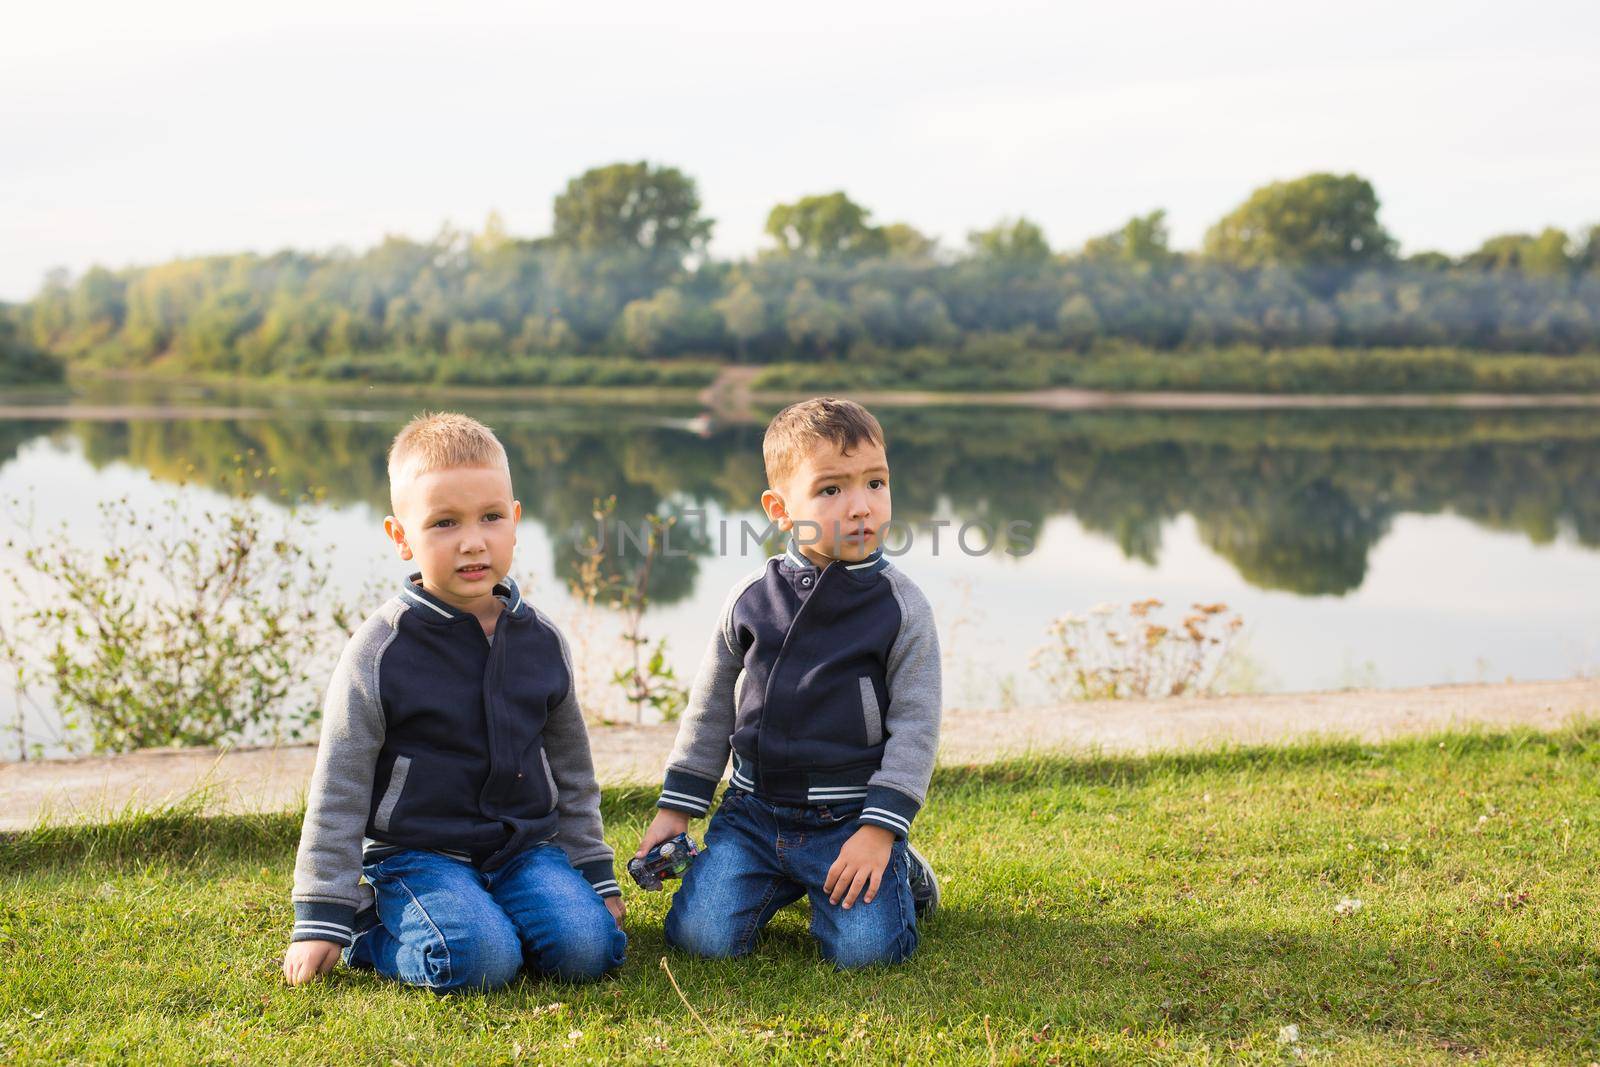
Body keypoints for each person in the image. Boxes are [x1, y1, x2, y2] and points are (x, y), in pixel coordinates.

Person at [281, 412, 625, 992]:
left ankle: (502, 913)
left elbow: (572, 771)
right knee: (479, 962)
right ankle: (373, 932)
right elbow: (339, 784)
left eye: (491, 517)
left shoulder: (541, 640)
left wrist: (594, 874)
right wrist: (323, 916)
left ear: (515, 522)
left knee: (589, 951)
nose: (473, 541)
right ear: (401, 538)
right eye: (443, 523)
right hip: (418, 853)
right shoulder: (380, 649)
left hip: (523, 850)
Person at [635, 396, 941, 969]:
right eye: (831, 490)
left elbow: (917, 726)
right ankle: (776, 879)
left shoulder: (901, 606)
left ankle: (899, 865)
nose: (860, 507)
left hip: (850, 816)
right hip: (754, 813)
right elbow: (709, 712)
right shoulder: (751, 599)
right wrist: (678, 810)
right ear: (781, 508)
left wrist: (880, 826)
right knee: (701, 940)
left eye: (876, 483)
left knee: (866, 954)